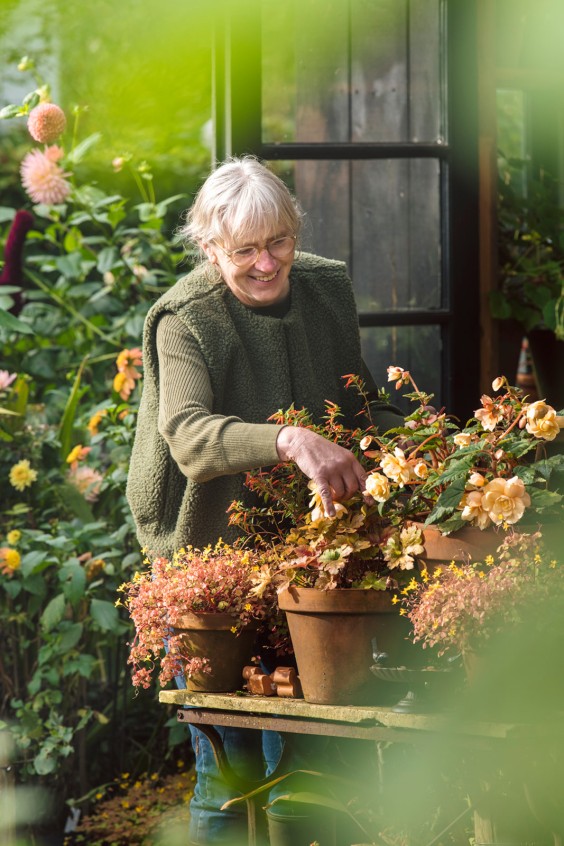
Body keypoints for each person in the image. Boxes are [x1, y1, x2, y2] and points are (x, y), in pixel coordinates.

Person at [126, 156, 403, 845]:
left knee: (312, 770)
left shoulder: (324, 289)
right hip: (208, 560)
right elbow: (189, 436)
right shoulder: (186, 318)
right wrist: (291, 440)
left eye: (278, 242)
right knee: (229, 779)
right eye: (244, 250)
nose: (266, 263)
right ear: (209, 247)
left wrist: (421, 448)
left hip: (309, 562)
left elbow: (358, 400)